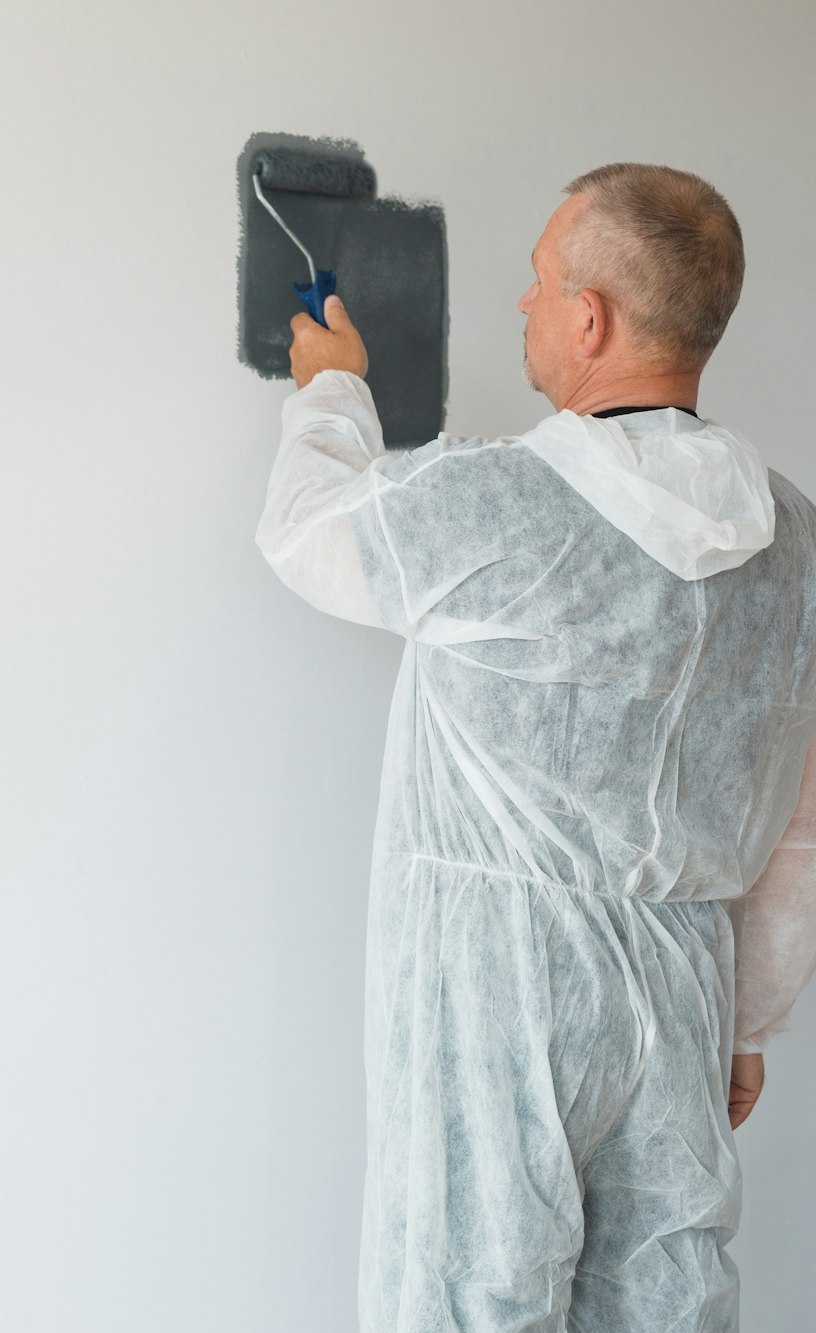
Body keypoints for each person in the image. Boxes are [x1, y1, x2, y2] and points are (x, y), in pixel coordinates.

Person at [257, 163, 816, 1331]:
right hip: (679, 998)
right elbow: (797, 809)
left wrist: (328, 392)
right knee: (664, 1305)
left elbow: (309, 535)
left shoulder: (503, 503)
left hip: (494, 1005)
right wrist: (746, 1019)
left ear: (590, 317)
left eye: (534, 279)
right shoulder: (793, 542)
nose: (520, 304)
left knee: (470, 1305)